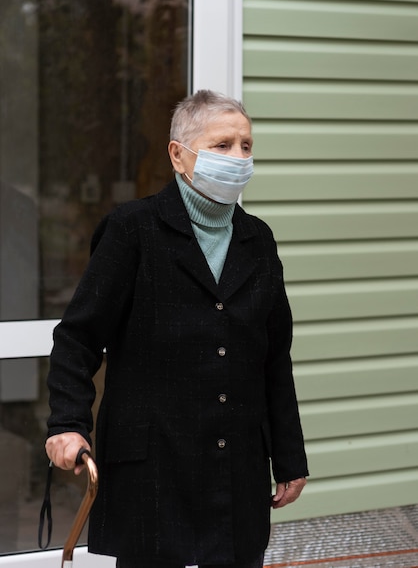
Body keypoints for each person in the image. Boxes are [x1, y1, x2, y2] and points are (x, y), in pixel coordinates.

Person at [45, 89, 308, 568]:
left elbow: (274, 357)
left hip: (237, 467)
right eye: (223, 145)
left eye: (246, 146)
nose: (239, 157)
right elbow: (78, 337)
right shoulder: (133, 229)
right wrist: (68, 423)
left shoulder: (259, 240)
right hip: (155, 468)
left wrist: (289, 457)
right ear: (178, 155)